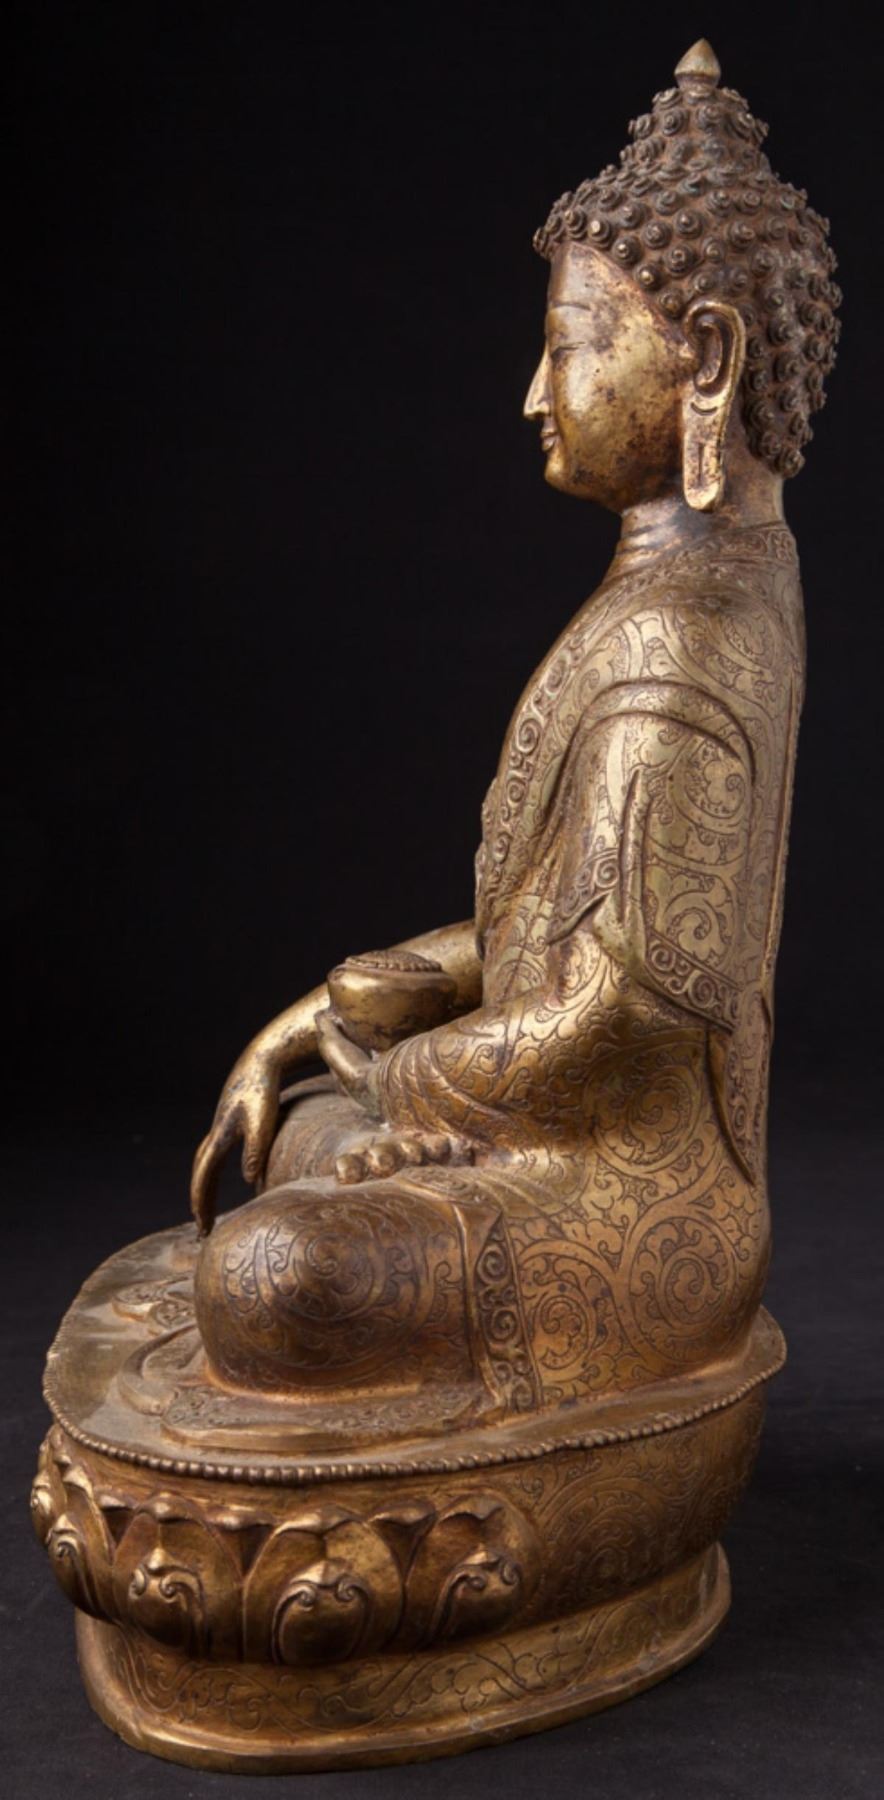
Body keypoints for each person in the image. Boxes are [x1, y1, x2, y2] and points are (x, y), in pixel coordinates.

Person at [190, 40, 840, 1415]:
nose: (536, 394)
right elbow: (546, 929)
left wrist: (395, 1083)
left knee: (275, 1273)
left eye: (568, 347)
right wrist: (321, 1018)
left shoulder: (696, 630)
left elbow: (621, 1016)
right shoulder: (668, 595)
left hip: (629, 1211)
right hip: (533, 1130)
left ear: (706, 357)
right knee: (300, 1137)